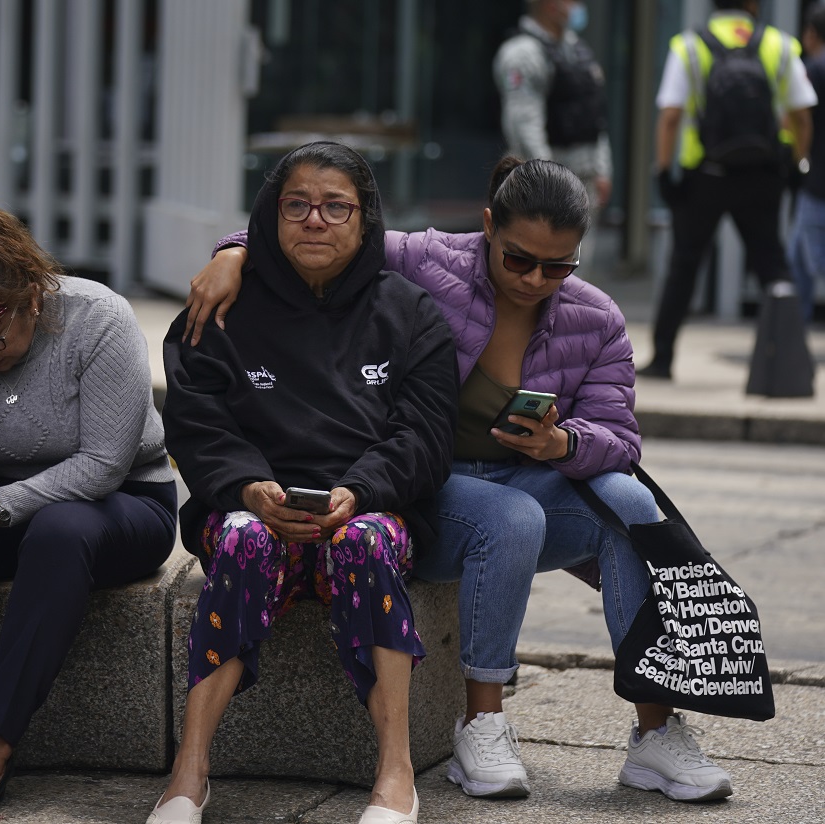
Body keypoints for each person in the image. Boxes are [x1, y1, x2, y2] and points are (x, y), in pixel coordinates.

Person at [183, 157, 736, 804]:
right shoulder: (428, 260)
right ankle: (481, 723)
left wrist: (562, 442)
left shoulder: (596, 319)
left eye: (557, 266)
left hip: (521, 477)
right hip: (425, 486)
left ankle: (655, 733)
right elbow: (329, 232)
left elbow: (618, 439)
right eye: (517, 259)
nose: (534, 279)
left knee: (629, 503)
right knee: (510, 518)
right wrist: (231, 252)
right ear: (485, 229)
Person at [150, 142, 458, 824]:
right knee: (238, 540)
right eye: (296, 205)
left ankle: (395, 772)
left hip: (369, 510)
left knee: (366, 544)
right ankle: (188, 772)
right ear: (271, 212)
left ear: (364, 218)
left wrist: (361, 490)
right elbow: (197, 423)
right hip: (251, 507)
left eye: (334, 207)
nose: (313, 220)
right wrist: (249, 487)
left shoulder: (411, 315)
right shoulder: (219, 309)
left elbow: (425, 437)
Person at [0, 204, 177, 819]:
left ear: (33, 300)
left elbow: (103, 464)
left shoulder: (98, 318)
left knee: (60, 529)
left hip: (119, 505)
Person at [643, 0, 816, 379]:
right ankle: (788, 361)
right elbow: (803, 115)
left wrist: (662, 172)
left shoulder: (689, 46)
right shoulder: (779, 44)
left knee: (684, 265)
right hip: (762, 176)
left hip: (704, 175)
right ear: (753, 4)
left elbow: (670, 115)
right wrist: (797, 163)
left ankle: (662, 359)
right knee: (773, 267)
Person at [493, 0, 611, 272]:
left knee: (578, 270)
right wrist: (549, 178)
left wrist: (603, 169)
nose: (577, 6)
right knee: (541, 268)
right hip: (541, 182)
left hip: (585, 176)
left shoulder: (577, 49)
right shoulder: (522, 53)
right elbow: (524, 124)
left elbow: (595, 115)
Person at [788, 1, 825, 325]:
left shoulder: (813, 69)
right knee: (797, 258)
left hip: (817, 183)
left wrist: (799, 158)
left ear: (812, 34)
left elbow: (797, 118)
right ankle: (793, 331)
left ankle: (793, 331)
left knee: (811, 261)